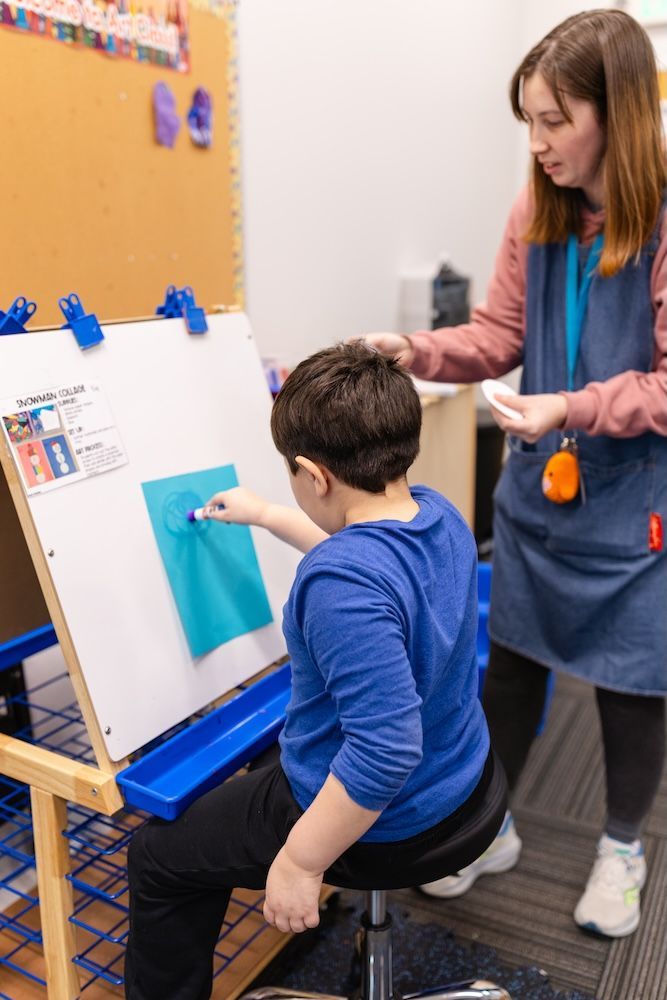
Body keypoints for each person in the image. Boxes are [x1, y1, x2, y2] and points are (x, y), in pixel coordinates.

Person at [359, 8, 667, 940]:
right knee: (512, 664)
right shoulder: (534, 210)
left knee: (631, 681)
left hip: (631, 504)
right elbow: (499, 336)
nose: (535, 146)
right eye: (526, 123)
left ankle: (621, 845)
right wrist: (409, 348)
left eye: (552, 122)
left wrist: (567, 406)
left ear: (617, 115)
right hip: (538, 495)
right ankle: (487, 826)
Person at [124, 342, 506, 999]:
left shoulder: (337, 586)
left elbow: (383, 752)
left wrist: (302, 863)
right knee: (249, 776)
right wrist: (270, 516)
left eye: (290, 483)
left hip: (394, 814)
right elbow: (373, 572)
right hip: (462, 777)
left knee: (157, 858)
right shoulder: (435, 513)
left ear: (312, 473)